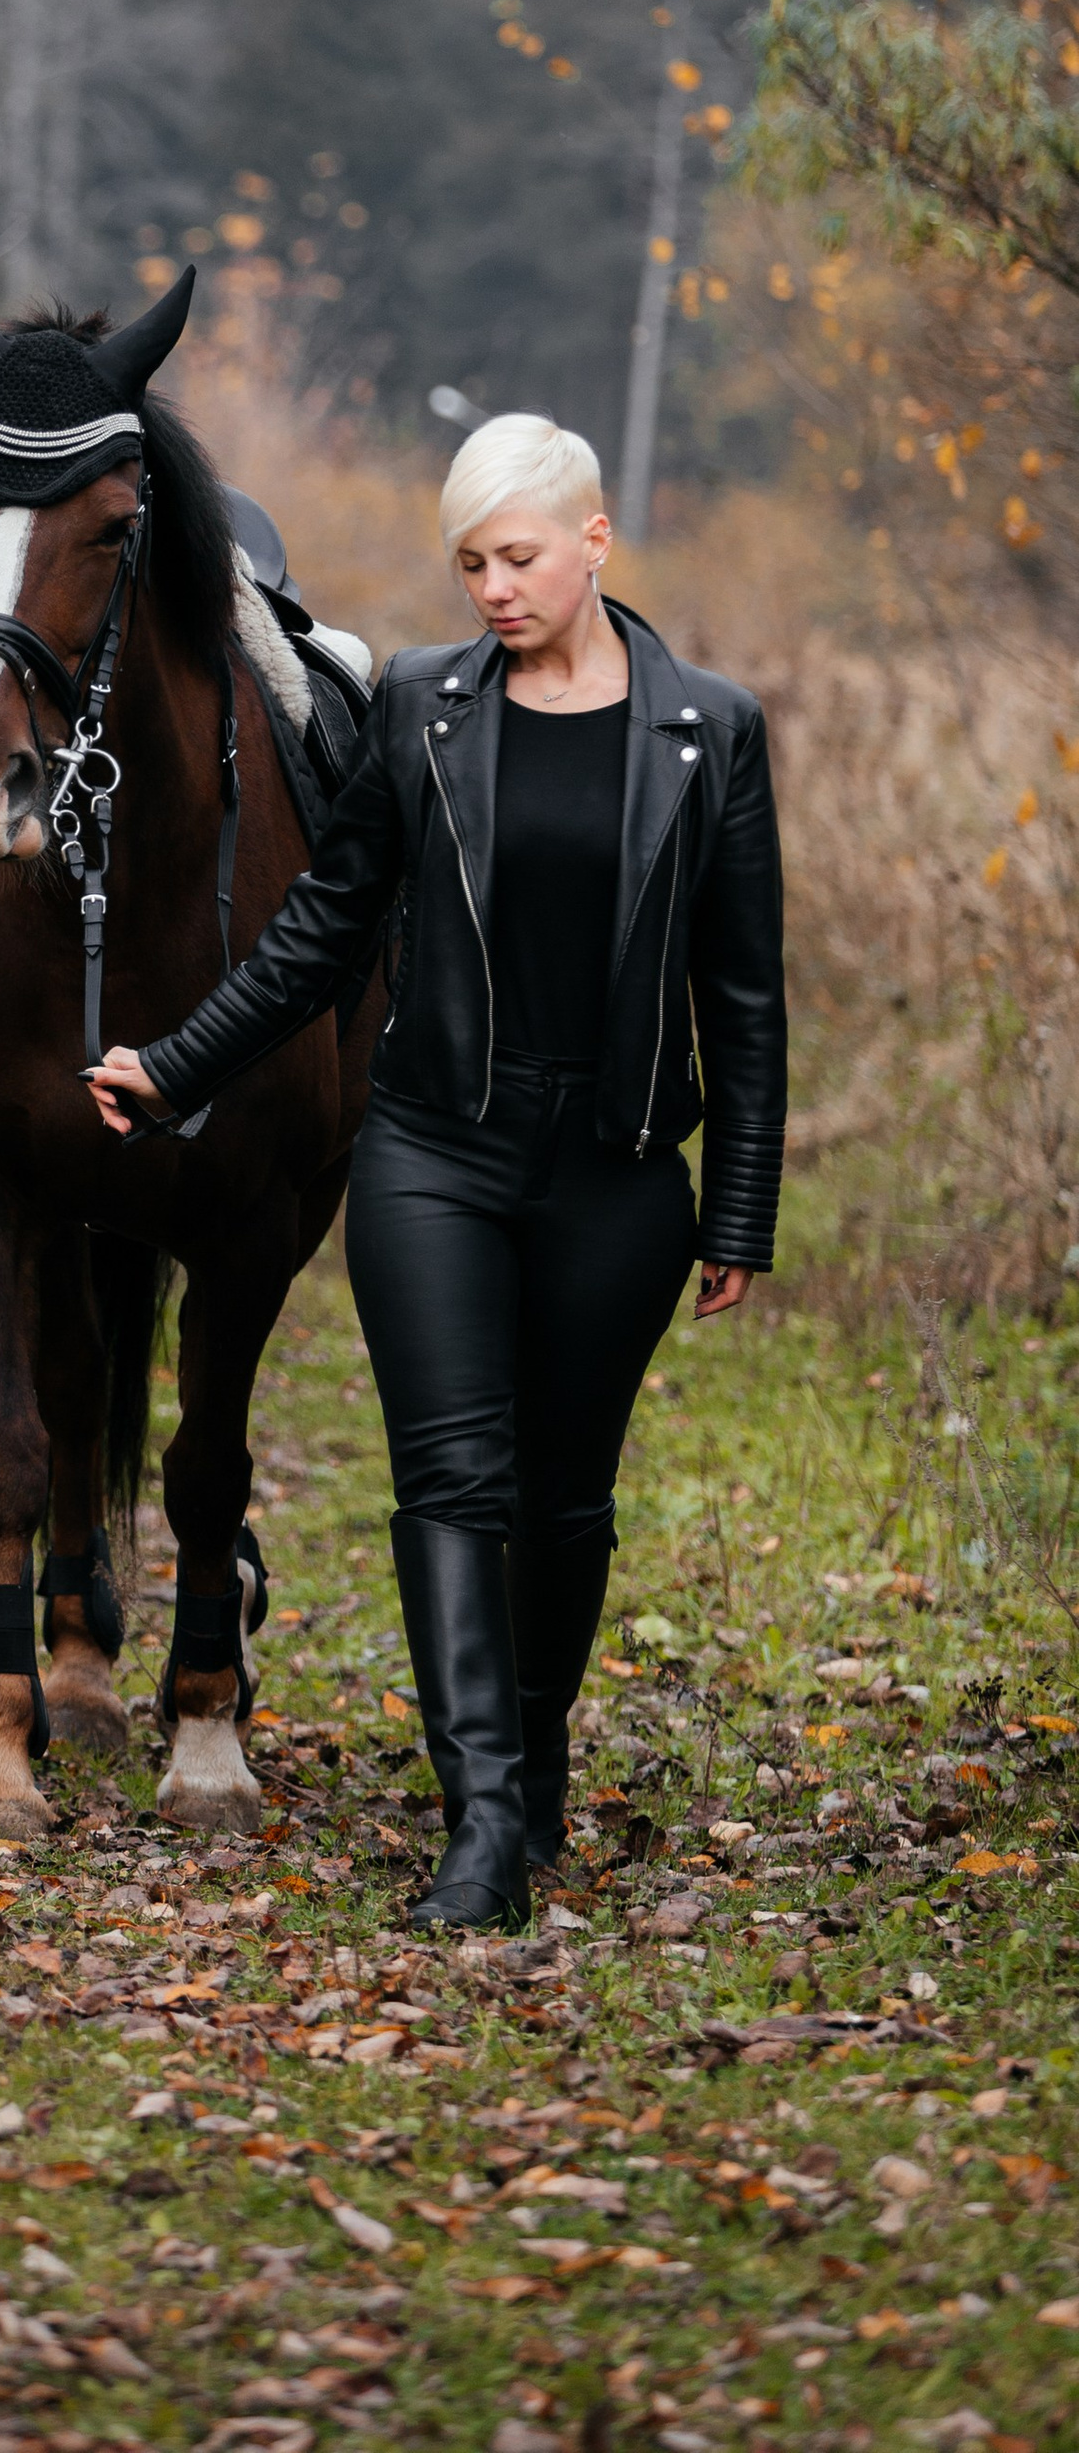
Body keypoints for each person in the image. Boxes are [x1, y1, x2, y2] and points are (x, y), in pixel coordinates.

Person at [86, 414, 786, 1932]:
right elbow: (322, 926)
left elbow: (742, 991)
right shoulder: (420, 705)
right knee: (454, 1483)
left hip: (615, 1171)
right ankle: (480, 1824)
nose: (493, 589)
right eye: (470, 564)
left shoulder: (710, 730)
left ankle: (533, 1766)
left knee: (565, 1502)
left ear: (594, 539)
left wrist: (741, 1202)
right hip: (434, 1155)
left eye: (518, 557)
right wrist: (176, 1064)